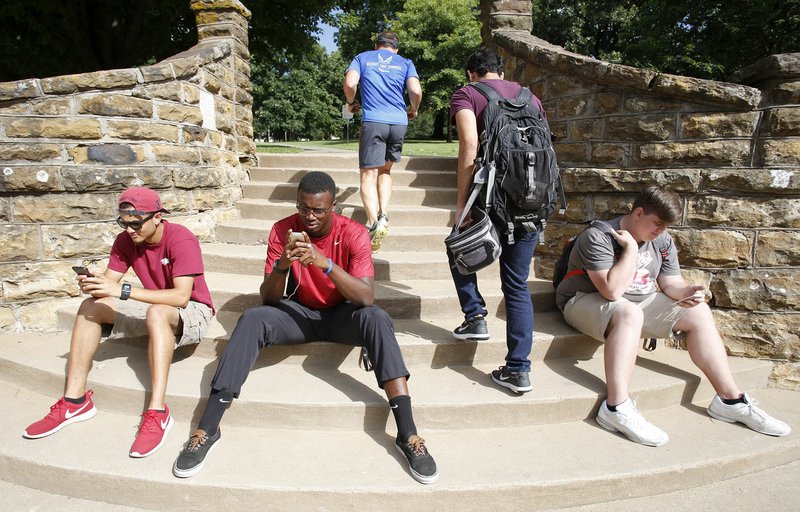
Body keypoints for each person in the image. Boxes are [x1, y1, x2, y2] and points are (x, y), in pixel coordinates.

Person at [172, 171, 438, 484]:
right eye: (303, 208)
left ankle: (408, 434)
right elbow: (268, 298)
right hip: (298, 315)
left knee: (378, 318)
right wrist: (282, 265)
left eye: (318, 210)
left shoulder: (353, 233)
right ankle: (207, 428)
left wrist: (324, 263)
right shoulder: (282, 229)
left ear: (334, 207)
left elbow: (366, 297)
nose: (309, 217)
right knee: (253, 317)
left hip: (342, 315)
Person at [556, 186, 791, 446]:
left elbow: (670, 282)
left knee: (698, 312)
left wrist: (687, 292)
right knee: (628, 311)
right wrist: (632, 250)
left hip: (635, 304)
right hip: (583, 301)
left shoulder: (663, 240)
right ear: (638, 213)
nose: (660, 232)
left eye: (666, 226)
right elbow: (611, 291)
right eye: (656, 224)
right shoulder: (599, 236)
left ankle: (730, 401)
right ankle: (616, 408)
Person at [23, 187, 215, 458]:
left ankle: (157, 411)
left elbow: (181, 297)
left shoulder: (181, 239)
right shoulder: (125, 241)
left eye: (136, 223)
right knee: (91, 307)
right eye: (123, 223)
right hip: (152, 306)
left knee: (159, 312)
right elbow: (110, 285)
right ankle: (75, 401)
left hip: (192, 311)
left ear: (158, 217)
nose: (129, 230)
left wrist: (123, 291)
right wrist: (94, 283)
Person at [447, 46, 547, 394]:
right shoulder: (531, 98)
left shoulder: (467, 94)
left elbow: (469, 148)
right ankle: (519, 370)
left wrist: (462, 207)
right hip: (532, 203)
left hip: (492, 201)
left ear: (471, 74)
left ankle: (475, 317)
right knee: (517, 285)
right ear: (501, 73)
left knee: (456, 248)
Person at [343, 31, 423, 251]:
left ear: (376, 45)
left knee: (368, 174)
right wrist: (413, 110)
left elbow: (350, 84)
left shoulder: (362, 58)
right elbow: (415, 90)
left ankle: (373, 224)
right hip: (398, 122)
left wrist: (351, 102)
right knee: (386, 171)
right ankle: (384, 214)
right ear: (395, 48)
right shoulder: (405, 62)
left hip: (374, 121)